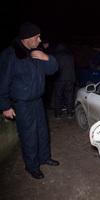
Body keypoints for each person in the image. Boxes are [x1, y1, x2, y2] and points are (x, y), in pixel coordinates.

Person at [0, 21, 59, 179]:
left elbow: (53, 69)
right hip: (23, 104)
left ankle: (45, 158)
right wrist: (5, 106)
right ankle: (32, 166)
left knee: (42, 132)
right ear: (26, 38)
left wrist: (46, 57)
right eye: (37, 37)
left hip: (37, 101)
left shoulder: (37, 51)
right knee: (29, 136)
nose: (40, 40)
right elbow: (2, 82)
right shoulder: (10, 55)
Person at [53, 43, 76, 119]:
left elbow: (54, 68)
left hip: (59, 79)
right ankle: (70, 113)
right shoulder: (71, 56)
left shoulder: (56, 56)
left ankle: (57, 114)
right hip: (70, 79)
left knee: (58, 97)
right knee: (69, 96)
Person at [40, 36, 56, 110]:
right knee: (43, 92)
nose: (45, 46)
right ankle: (43, 105)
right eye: (44, 44)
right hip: (42, 76)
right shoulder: (40, 50)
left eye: (46, 44)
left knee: (49, 90)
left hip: (50, 77)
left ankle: (48, 105)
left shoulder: (52, 50)